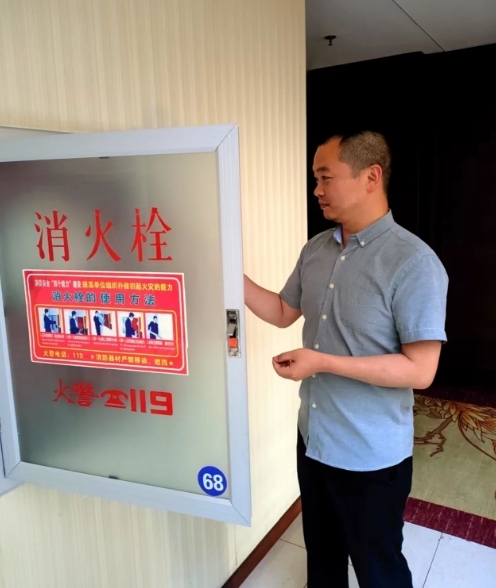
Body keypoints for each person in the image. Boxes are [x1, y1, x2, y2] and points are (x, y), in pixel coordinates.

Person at [244, 131, 448, 588]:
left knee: (379, 569)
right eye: (315, 179)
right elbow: (282, 311)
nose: (316, 190)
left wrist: (322, 362)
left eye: (325, 177)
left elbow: (421, 370)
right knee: (322, 558)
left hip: (370, 455)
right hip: (314, 438)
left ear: (371, 177)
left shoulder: (413, 262)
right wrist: (227, 275)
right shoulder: (316, 249)